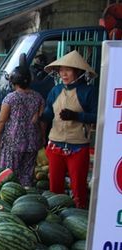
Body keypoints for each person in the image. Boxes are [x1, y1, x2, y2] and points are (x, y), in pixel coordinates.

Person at [41, 50, 98, 208]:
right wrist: (39, 116)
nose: (63, 74)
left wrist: (76, 116)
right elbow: (48, 112)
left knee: (78, 187)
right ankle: (57, 214)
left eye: (68, 70)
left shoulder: (89, 92)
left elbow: (97, 116)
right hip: (55, 144)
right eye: (61, 70)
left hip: (78, 145)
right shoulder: (56, 90)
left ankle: (79, 214)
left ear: (78, 72)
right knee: (55, 186)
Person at [0, 66, 44, 187]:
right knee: (27, 175)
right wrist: (42, 137)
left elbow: (1, 121)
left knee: (8, 176)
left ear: (13, 82)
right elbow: (42, 120)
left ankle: (9, 201)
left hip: (13, 143)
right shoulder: (39, 97)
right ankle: (25, 196)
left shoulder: (10, 98)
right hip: (32, 142)